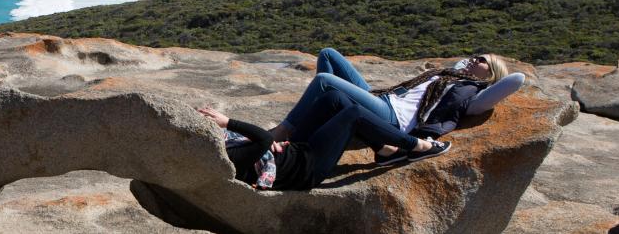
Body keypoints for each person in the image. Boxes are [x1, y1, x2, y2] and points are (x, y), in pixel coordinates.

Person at [271, 48, 524, 166]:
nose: (473, 59)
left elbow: (514, 81)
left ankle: (283, 132)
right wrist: (458, 69)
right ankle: (322, 117)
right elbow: (455, 68)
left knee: (325, 81)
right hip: (384, 98)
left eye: (482, 61)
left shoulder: (472, 91)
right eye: (474, 56)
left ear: (491, 74)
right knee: (328, 54)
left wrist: (492, 80)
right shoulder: (450, 76)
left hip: (392, 117)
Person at [198, 88, 450, 191]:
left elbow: (262, 141)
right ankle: (417, 146)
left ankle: (383, 150)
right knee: (354, 114)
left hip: (294, 150)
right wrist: (228, 121)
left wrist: (232, 130)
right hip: (308, 166)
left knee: (333, 98)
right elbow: (264, 139)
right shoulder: (223, 155)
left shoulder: (227, 141)